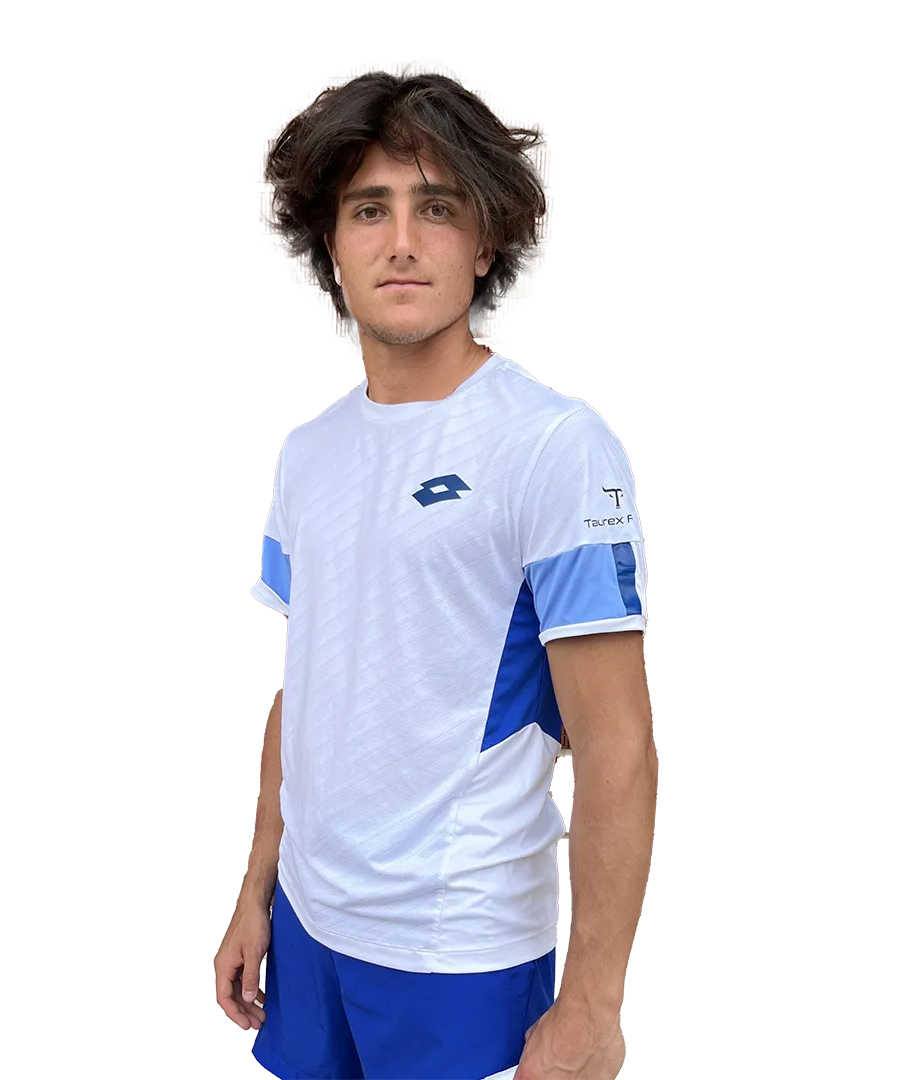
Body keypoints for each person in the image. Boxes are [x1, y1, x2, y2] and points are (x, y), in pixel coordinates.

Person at [215, 69, 658, 1080]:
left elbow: (616, 744)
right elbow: (304, 688)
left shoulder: (552, 447)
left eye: (439, 208)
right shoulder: (309, 454)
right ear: (331, 246)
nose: (403, 240)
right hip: (310, 930)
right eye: (370, 209)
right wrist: (255, 892)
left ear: (485, 242)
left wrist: (591, 1009)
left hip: (457, 955)